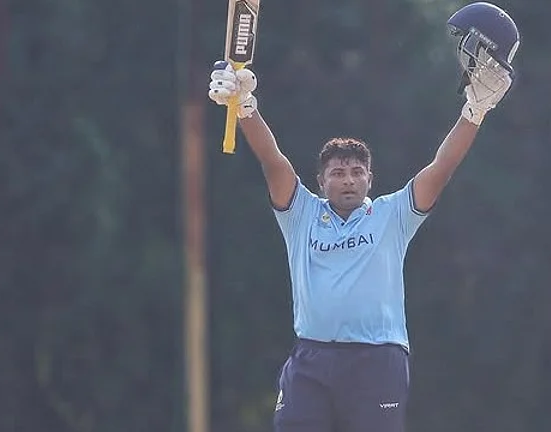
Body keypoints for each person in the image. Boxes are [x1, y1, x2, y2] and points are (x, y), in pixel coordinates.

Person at [208, 3, 520, 431]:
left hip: (377, 360)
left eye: (357, 172)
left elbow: (439, 169)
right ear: (321, 181)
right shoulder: (301, 215)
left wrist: (474, 113)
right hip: (311, 360)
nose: (348, 180)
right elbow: (273, 162)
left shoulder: (391, 215)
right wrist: (245, 107)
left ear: (370, 178)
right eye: (338, 173)